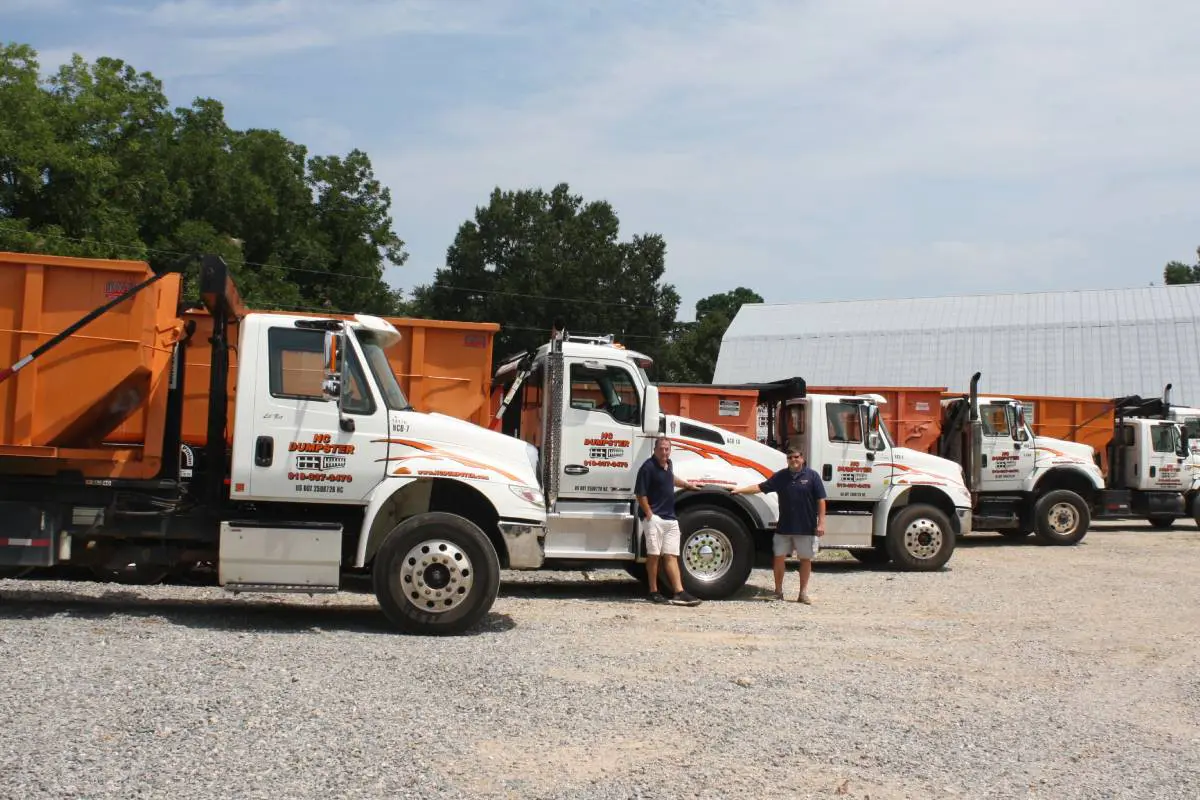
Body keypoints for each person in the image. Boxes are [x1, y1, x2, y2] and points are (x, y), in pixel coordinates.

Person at [732, 447, 826, 603]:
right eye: (790, 458)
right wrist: (739, 490)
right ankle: (778, 592)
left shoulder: (812, 476)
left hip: (806, 527)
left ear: (802, 458)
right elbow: (760, 487)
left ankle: (803, 594)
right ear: (787, 460)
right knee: (778, 558)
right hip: (784, 527)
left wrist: (821, 523)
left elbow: (821, 500)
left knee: (805, 559)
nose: (793, 460)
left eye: (796, 457)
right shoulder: (781, 476)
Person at [635, 436, 702, 606]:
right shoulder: (647, 467)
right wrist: (650, 515)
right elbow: (640, 495)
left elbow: (670, 478)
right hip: (655, 518)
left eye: (667, 449)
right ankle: (653, 591)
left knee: (671, 555)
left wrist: (686, 485)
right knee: (654, 555)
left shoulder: (668, 464)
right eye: (661, 449)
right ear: (655, 450)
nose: (664, 452)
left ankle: (679, 592)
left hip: (670, 518)